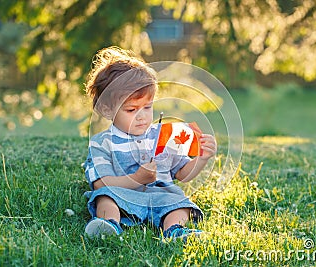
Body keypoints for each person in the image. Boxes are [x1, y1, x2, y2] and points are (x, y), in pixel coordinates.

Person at [82, 46, 217, 241]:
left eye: (148, 107)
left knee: (179, 203)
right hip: (123, 196)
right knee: (105, 197)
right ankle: (109, 224)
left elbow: (183, 173)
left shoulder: (163, 136)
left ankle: (174, 230)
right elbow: (101, 183)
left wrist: (202, 158)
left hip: (161, 196)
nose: (142, 116)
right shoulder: (102, 143)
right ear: (107, 109)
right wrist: (137, 178)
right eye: (131, 110)